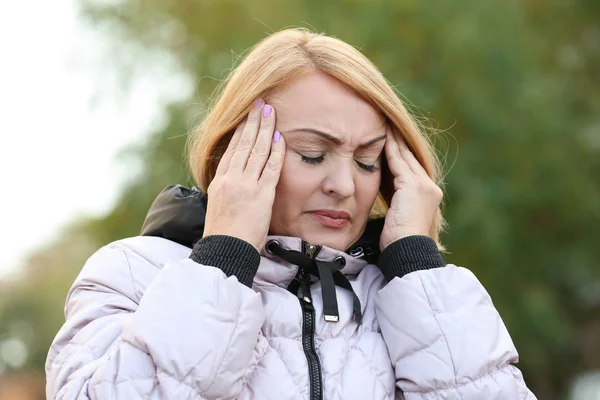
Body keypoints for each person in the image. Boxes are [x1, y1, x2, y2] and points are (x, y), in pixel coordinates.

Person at [45, 28, 536, 400]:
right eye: (313, 154)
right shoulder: (131, 275)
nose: (345, 185)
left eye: (367, 161)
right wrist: (222, 262)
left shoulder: (413, 300)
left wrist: (418, 269)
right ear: (236, 152)